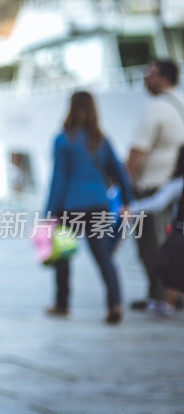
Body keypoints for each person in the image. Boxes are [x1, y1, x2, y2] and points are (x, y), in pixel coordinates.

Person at [44, 91, 133, 325]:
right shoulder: (102, 140)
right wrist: (127, 201)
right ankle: (115, 303)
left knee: (63, 258)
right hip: (98, 206)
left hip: (69, 207)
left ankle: (62, 305)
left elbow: (59, 179)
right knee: (104, 257)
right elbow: (119, 172)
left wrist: (49, 213)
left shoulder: (63, 140)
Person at [125, 60, 184, 312]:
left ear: (163, 77)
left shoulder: (156, 108)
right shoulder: (180, 103)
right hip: (175, 185)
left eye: (149, 73)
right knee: (167, 241)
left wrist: (124, 184)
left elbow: (139, 151)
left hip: (153, 185)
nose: (145, 78)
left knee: (151, 245)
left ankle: (162, 296)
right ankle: (165, 294)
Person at [123, 146, 184, 317]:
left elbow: (157, 203)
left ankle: (167, 305)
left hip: (180, 234)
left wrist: (132, 208)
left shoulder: (178, 183)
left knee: (172, 271)